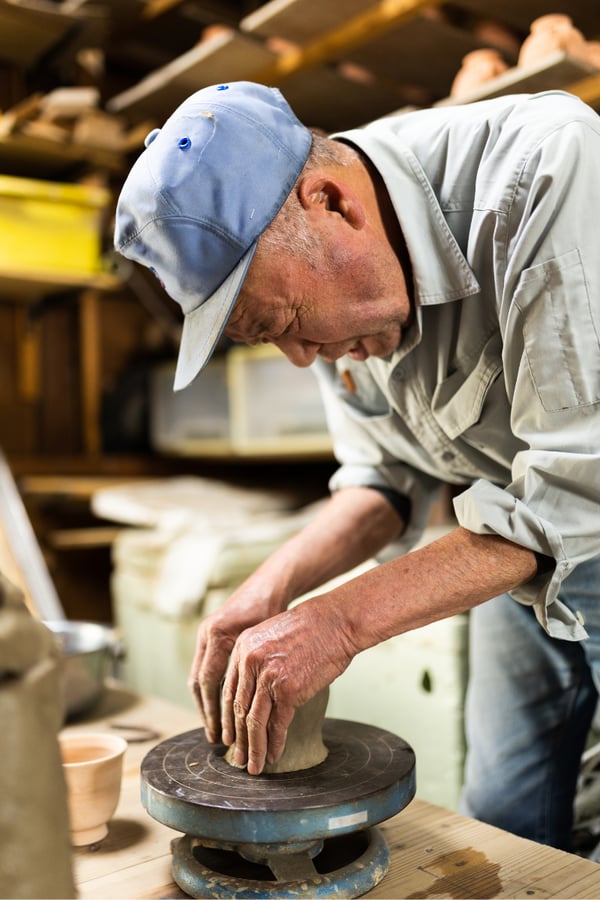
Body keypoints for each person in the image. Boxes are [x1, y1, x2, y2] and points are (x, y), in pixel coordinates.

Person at [114, 80, 600, 852]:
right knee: (505, 817)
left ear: (331, 203)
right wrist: (271, 589)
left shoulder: (547, 168)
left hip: (574, 508)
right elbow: (382, 478)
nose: (299, 357)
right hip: (517, 541)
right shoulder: (333, 267)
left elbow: (580, 487)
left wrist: (337, 623)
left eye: (285, 321)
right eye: (267, 338)